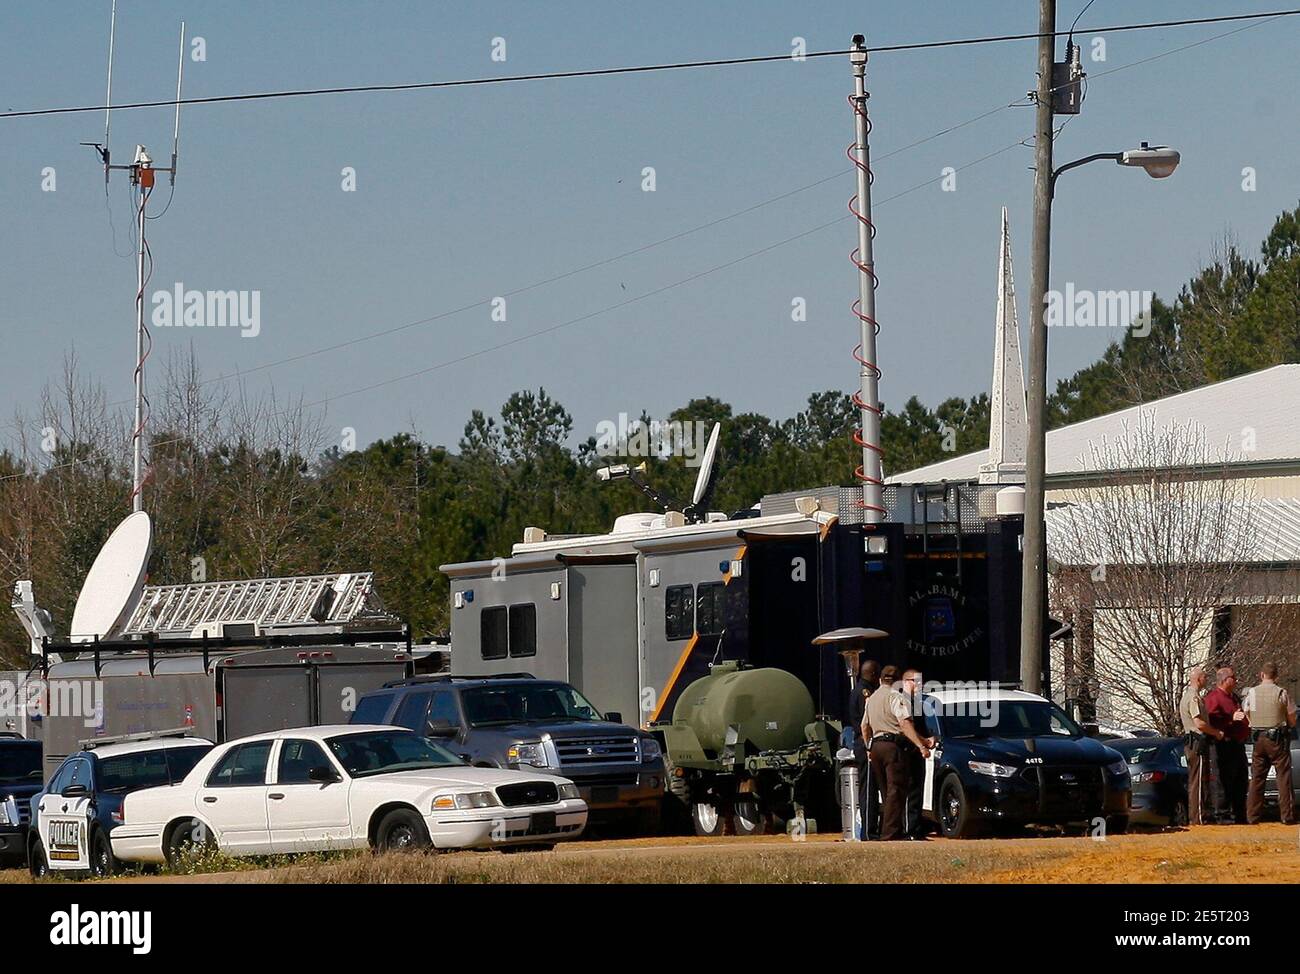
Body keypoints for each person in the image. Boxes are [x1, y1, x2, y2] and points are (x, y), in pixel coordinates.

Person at [863, 665, 935, 841]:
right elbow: (904, 724)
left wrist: (868, 747)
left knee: (886, 791)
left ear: (880, 679)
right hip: (892, 747)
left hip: (876, 748)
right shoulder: (895, 696)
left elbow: (864, 726)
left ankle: (888, 831)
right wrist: (921, 745)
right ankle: (890, 834)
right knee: (896, 791)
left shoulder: (872, 698)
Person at [1244, 662, 1297, 825]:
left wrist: (1253, 722)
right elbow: (1292, 715)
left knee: (1257, 778)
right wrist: (1289, 724)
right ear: (1277, 676)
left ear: (1261, 675)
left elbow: (1246, 711)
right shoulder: (1281, 692)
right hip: (1277, 738)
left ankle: (1252, 816)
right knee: (1283, 777)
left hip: (1258, 738)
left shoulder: (1251, 693)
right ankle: (1286, 816)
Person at [1204, 666, 1249, 824]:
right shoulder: (1214, 698)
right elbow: (1210, 720)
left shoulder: (1234, 697)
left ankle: (1240, 814)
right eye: (1233, 677)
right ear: (1224, 680)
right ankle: (1221, 814)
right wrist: (1230, 719)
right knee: (1223, 780)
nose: (1235, 680)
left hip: (1238, 744)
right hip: (1223, 744)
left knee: (1240, 780)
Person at [1179, 665, 1221, 825]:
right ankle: (1198, 817)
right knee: (1197, 780)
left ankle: (1201, 814)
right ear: (1198, 679)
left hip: (1193, 742)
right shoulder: (1193, 698)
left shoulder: (1188, 696)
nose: (1206, 680)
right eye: (1204, 677)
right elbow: (1199, 723)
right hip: (1196, 741)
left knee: (1200, 779)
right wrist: (1216, 732)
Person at [898, 669, 935, 839]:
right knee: (910, 789)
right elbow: (906, 728)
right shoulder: (903, 701)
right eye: (916, 681)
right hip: (908, 750)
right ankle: (909, 830)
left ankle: (916, 827)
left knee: (917, 789)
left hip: (918, 751)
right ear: (906, 682)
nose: (920, 685)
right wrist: (923, 742)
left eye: (921, 681)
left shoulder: (917, 702)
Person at [851, 659, 881, 840]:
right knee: (868, 788)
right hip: (865, 743)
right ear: (872, 675)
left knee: (871, 787)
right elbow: (866, 722)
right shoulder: (864, 692)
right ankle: (869, 832)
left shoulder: (863, 690)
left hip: (865, 743)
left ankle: (871, 829)